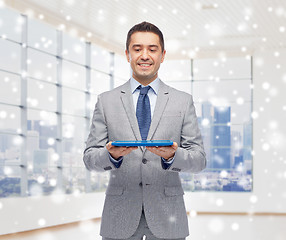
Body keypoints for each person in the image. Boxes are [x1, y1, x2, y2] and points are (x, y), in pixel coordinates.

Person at [83, 21, 206, 240]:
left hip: (168, 215)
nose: (145, 55)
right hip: (119, 215)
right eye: (137, 49)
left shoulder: (182, 101)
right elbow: (89, 158)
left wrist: (173, 156)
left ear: (163, 54)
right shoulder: (106, 101)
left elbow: (198, 160)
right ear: (127, 54)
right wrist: (110, 156)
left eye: (152, 49)